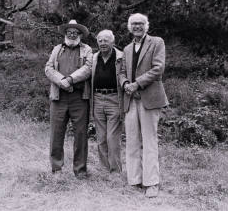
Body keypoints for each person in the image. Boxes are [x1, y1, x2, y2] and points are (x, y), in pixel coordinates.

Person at [119, 13, 169, 197]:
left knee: (149, 142)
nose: (137, 27)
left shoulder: (157, 42)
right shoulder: (126, 49)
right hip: (130, 99)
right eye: (134, 24)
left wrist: (137, 83)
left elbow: (158, 68)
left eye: (140, 24)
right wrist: (125, 84)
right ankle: (134, 180)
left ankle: (151, 183)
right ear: (129, 27)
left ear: (146, 26)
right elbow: (122, 72)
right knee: (132, 140)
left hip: (150, 99)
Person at [69, 30, 123, 173]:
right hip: (97, 99)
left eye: (106, 40)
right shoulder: (93, 58)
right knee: (101, 138)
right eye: (100, 40)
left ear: (112, 42)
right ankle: (105, 169)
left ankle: (116, 170)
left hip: (114, 99)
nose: (103, 43)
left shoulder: (121, 57)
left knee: (112, 138)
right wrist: (69, 79)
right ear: (97, 43)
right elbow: (84, 72)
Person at [45, 20, 92, 179]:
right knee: (56, 133)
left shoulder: (87, 49)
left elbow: (88, 69)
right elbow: (48, 68)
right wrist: (61, 81)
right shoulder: (57, 49)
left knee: (80, 134)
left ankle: (80, 171)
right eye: (69, 32)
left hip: (79, 98)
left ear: (79, 34)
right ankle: (56, 169)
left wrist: (70, 79)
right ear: (65, 34)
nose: (72, 35)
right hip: (58, 97)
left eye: (75, 32)